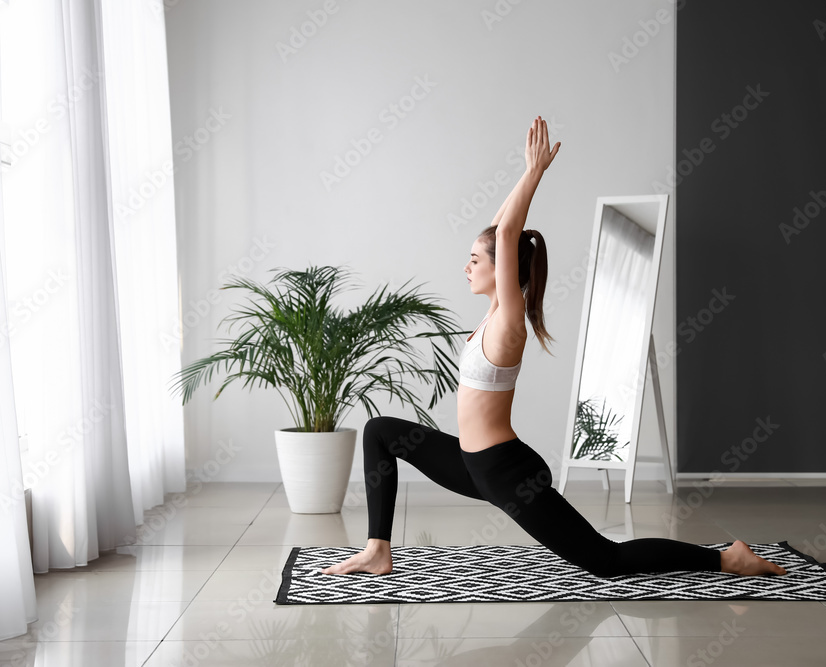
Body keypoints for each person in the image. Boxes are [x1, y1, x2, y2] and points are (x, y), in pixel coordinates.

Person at [321, 116, 786, 578]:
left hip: (505, 472)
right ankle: (377, 549)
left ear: (501, 267)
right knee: (380, 430)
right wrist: (512, 204)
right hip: (471, 462)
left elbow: (505, 236)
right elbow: (501, 229)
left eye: (474, 260)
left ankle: (726, 558)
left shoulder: (508, 320)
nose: (466, 267)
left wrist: (534, 172)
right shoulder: (493, 310)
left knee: (606, 560)